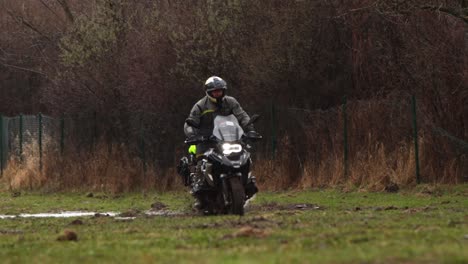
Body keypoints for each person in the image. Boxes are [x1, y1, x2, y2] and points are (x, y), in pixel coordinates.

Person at [183, 76, 258, 209]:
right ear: (208, 92)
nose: (217, 93)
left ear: (224, 91)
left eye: (220, 90)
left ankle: (248, 182)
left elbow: (242, 116)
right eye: (214, 91)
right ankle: (199, 192)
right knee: (201, 162)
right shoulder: (200, 105)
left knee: (244, 155)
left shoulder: (231, 102)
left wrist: (250, 129)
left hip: (228, 137)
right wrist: (192, 134)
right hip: (207, 140)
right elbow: (189, 123)